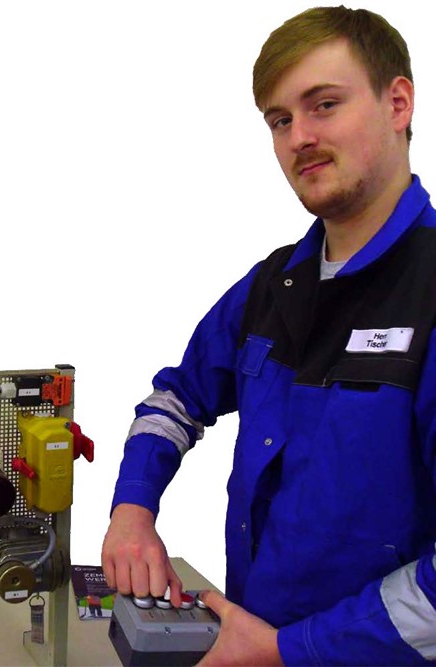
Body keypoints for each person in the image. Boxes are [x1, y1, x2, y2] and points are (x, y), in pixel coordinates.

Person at [101, 6, 436, 666]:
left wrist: (290, 648)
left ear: (398, 103)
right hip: (247, 643)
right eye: (280, 120)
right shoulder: (272, 286)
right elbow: (174, 400)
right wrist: (132, 508)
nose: (299, 137)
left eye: (324, 105)